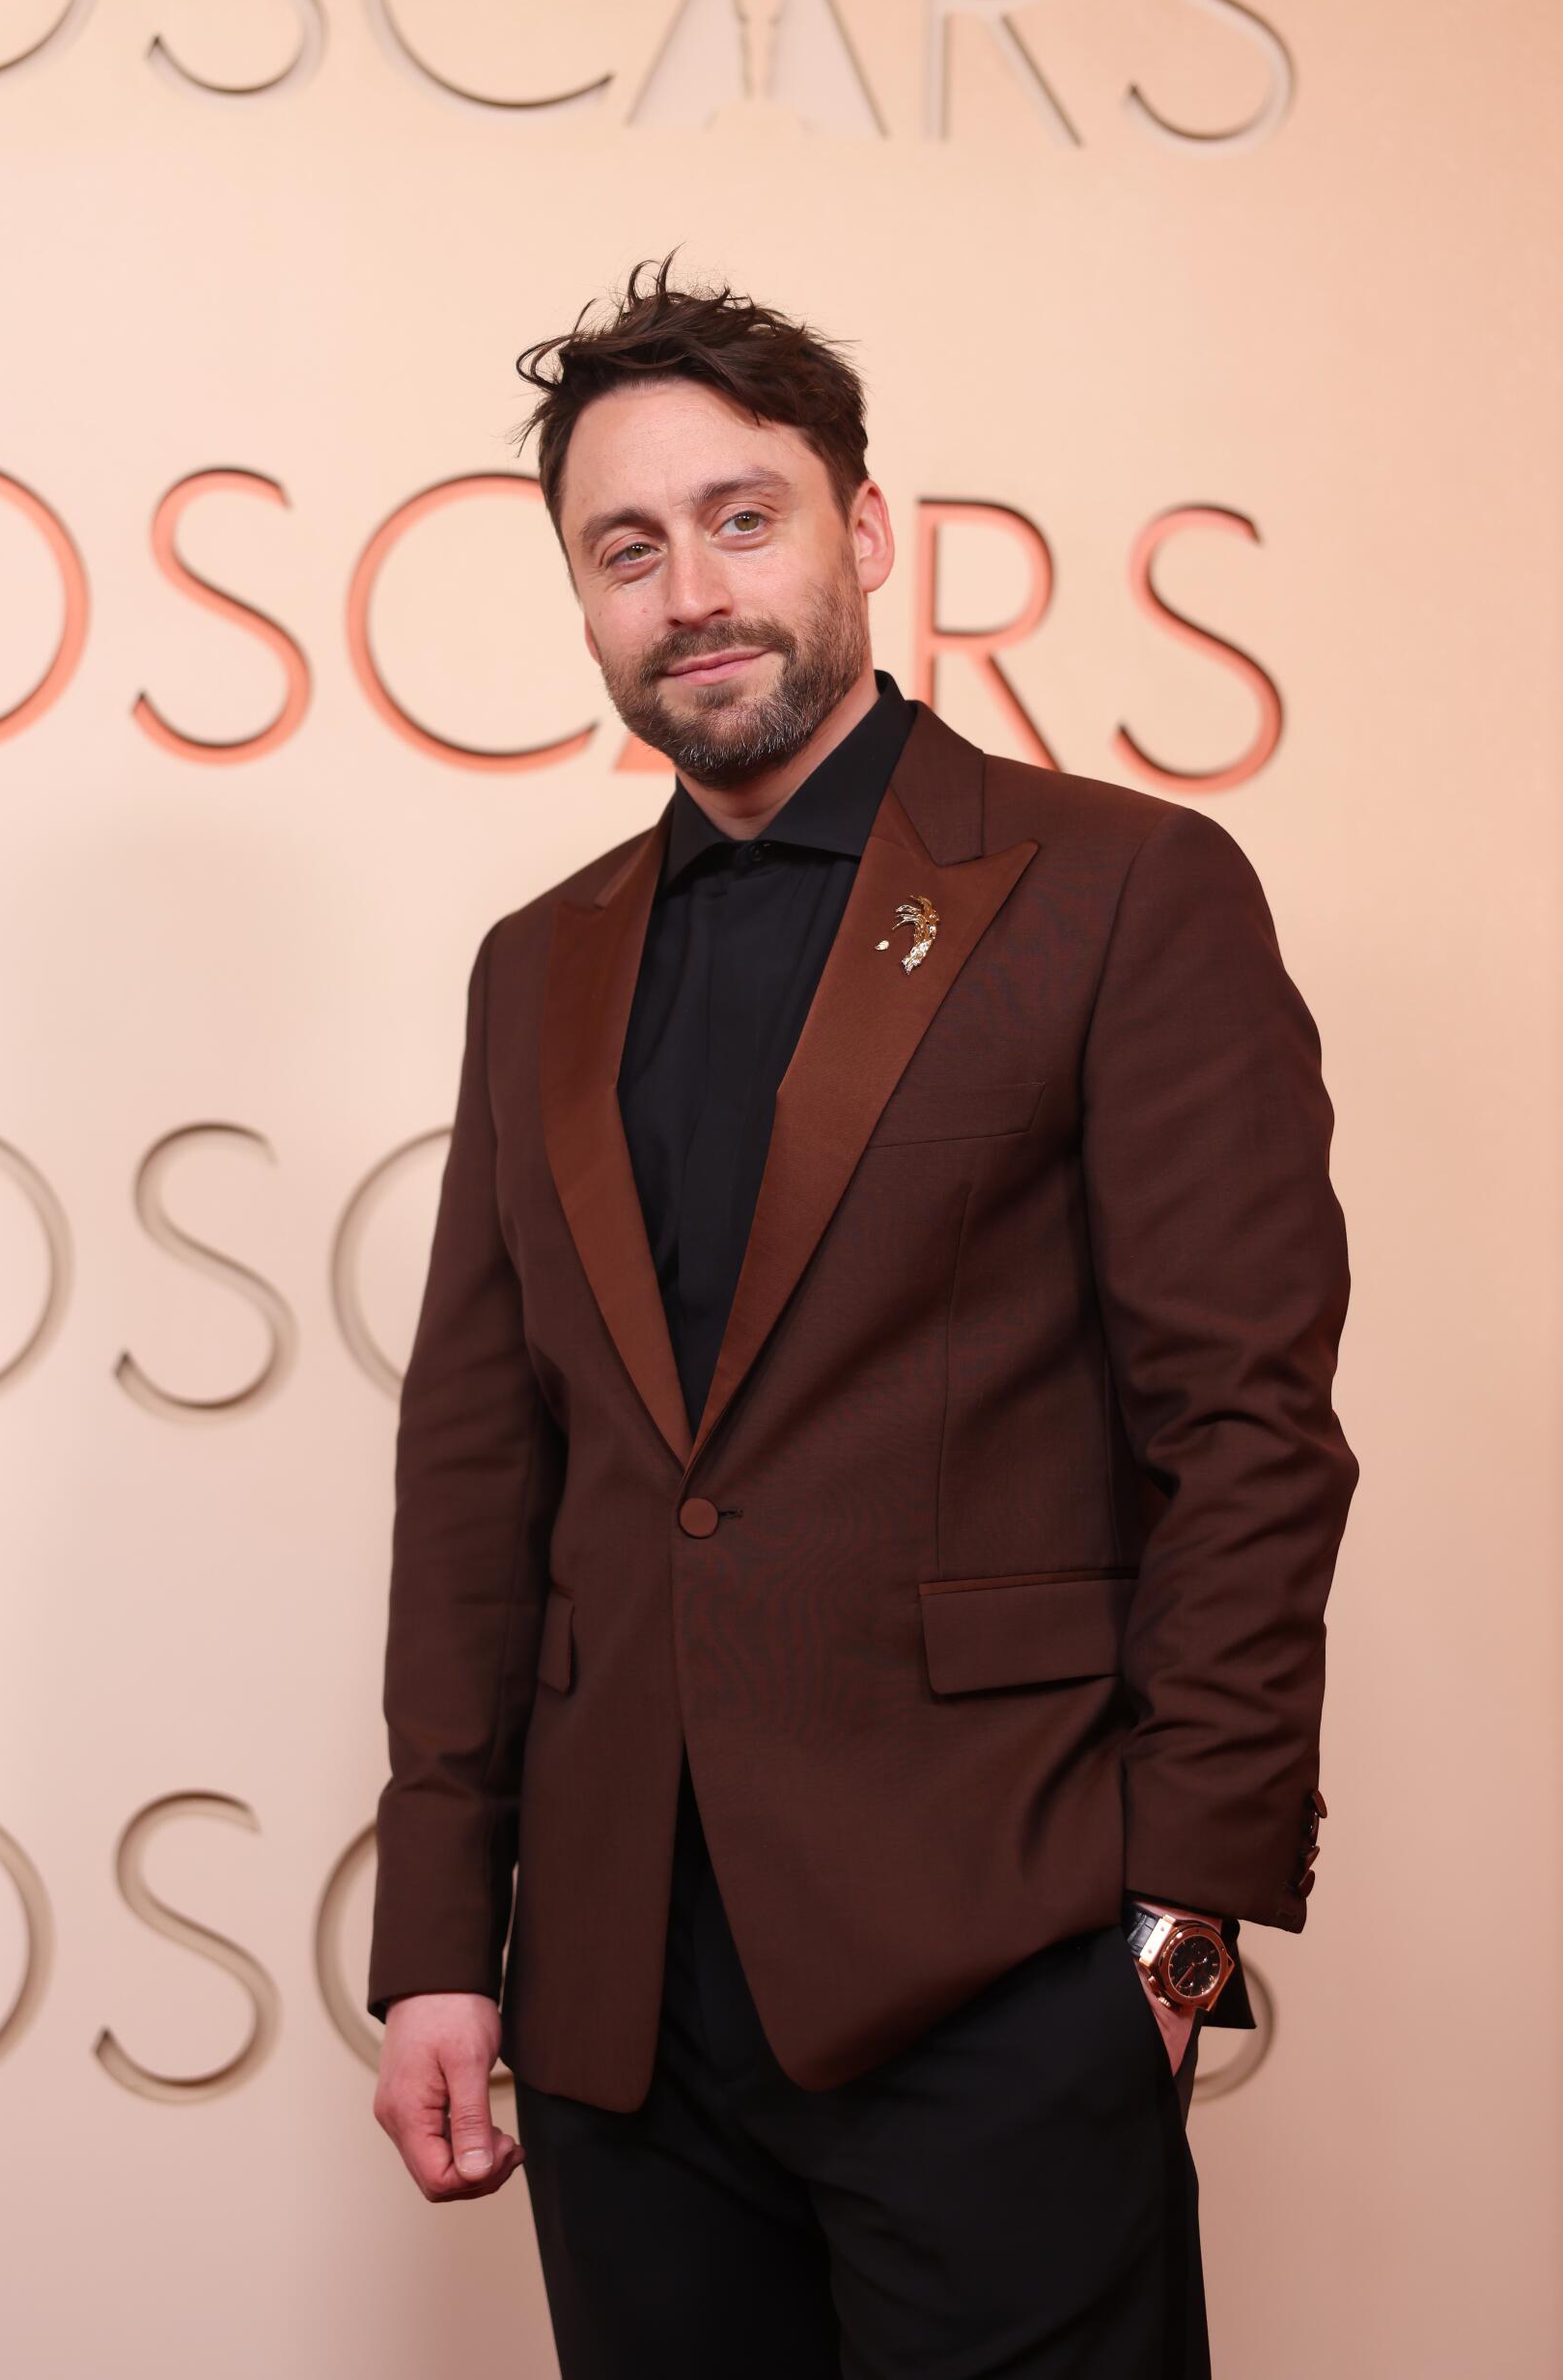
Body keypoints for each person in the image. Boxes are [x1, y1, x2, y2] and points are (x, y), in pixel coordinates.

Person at [366, 250, 1355, 2378]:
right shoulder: (536, 966)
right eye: (627, 548)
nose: (692, 590)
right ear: (582, 597)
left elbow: (1248, 1435)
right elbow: (475, 1476)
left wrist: (1175, 1935)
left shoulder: (1121, 889)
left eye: (744, 517)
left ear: (868, 532)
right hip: (619, 2010)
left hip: (997, 1966)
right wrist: (443, 1939)